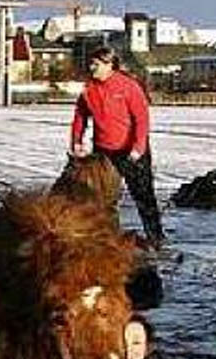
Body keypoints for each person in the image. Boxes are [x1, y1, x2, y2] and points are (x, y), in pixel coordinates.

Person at [70, 47, 165, 247]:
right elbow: (80, 118)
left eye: (96, 64)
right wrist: (76, 142)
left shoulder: (128, 86)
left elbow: (141, 119)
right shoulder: (89, 89)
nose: (91, 67)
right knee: (105, 198)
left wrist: (138, 148)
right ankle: (108, 237)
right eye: (91, 63)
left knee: (143, 195)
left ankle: (156, 237)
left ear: (109, 65)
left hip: (130, 149)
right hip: (104, 151)